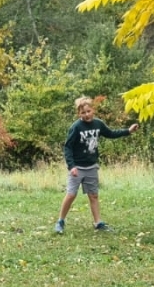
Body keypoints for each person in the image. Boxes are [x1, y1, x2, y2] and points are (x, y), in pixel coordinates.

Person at [55, 96, 138, 233]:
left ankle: (98, 223)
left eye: (88, 111)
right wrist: (72, 166)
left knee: (93, 195)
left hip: (91, 167)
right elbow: (68, 147)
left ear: (93, 110)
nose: (86, 114)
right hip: (77, 167)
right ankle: (60, 221)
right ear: (79, 114)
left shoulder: (98, 124)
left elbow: (111, 133)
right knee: (71, 194)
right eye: (83, 113)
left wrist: (128, 131)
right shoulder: (75, 127)